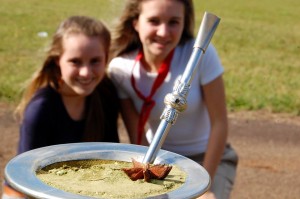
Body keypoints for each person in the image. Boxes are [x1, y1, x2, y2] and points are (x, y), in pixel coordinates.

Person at [108, 0, 238, 199]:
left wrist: (206, 186)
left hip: (208, 159)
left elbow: (219, 123)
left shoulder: (201, 55)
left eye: (173, 22)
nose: (163, 32)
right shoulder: (120, 69)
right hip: (158, 158)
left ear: (184, 23)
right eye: (154, 21)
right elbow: (137, 133)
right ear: (136, 22)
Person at [2, 15, 120, 199]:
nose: (86, 72)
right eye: (75, 61)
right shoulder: (41, 109)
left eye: (95, 61)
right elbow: (20, 183)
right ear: (58, 60)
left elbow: (114, 160)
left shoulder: (106, 93)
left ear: (107, 57)